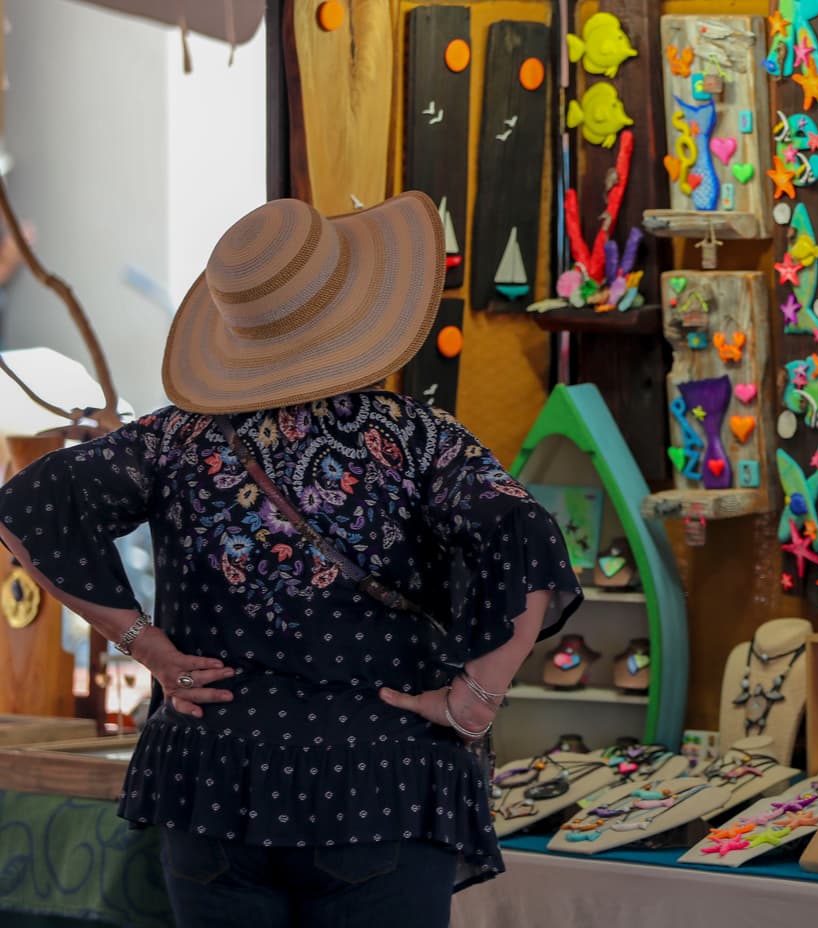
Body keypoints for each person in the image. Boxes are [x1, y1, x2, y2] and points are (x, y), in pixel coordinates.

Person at [0, 192, 582, 927]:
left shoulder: (174, 440)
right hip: (380, 775)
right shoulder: (416, 439)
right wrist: (477, 695)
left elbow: (27, 511)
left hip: (213, 775)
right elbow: (527, 540)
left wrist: (144, 646)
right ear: (355, 312)